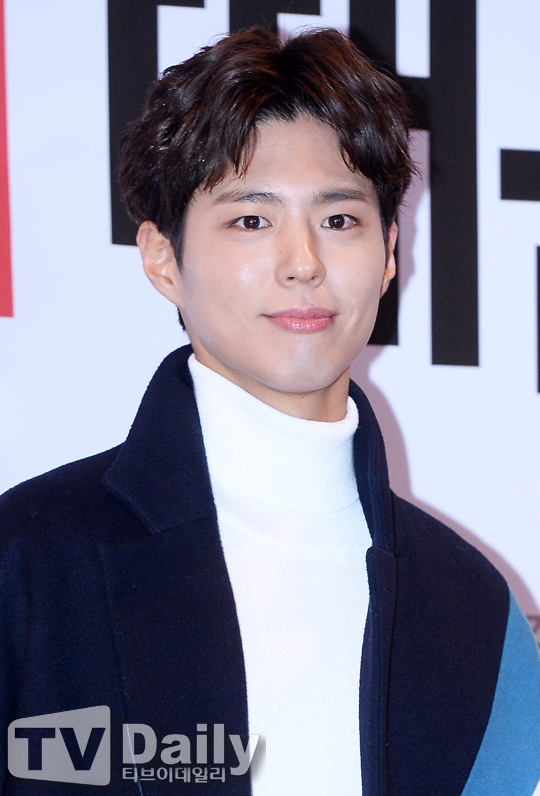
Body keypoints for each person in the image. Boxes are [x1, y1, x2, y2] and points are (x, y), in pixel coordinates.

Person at [1, 25, 539, 796]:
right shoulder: (32, 562)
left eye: (339, 220)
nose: (303, 263)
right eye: (251, 220)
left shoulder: (473, 610)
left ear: (390, 252)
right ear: (162, 257)